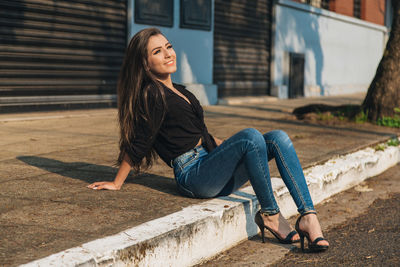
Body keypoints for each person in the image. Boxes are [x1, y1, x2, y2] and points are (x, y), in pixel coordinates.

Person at [87, 28, 329, 253]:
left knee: (278, 138)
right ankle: (270, 214)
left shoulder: (180, 90)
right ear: (144, 63)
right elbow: (139, 141)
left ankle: (308, 216)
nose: (168, 54)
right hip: (193, 175)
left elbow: (197, 132)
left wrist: (226, 146)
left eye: (168, 47)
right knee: (251, 135)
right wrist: (117, 182)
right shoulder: (153, 94)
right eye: (157, 52)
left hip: (210, 165)